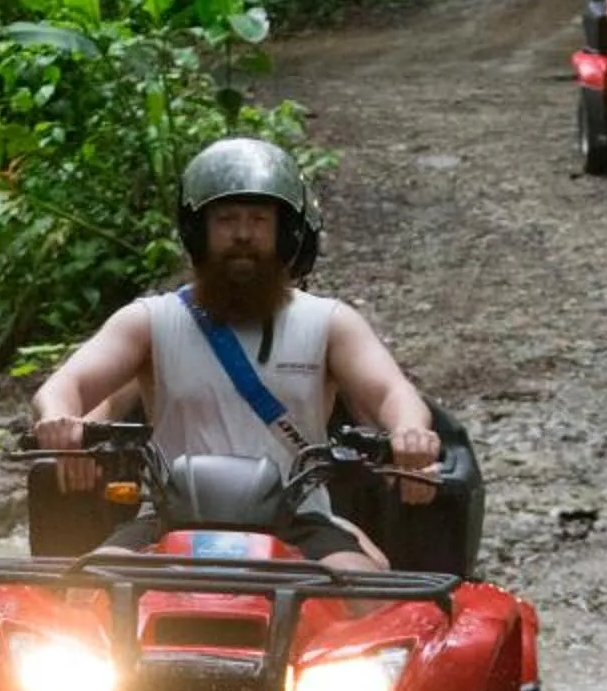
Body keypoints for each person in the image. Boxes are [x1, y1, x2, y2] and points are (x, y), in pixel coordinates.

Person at [29, 136, 441, 571]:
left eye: (258, 220)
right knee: (84, 593)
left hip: (300, 518)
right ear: (198, 232)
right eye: (226, 219)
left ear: (283, 232)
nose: (243, 234)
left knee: (367, 595)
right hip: (167, 520)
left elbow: (392, 392)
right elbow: (62, 387)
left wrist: (410, 432)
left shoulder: (330, 322)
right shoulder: (149, 321)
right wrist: (61, 422)